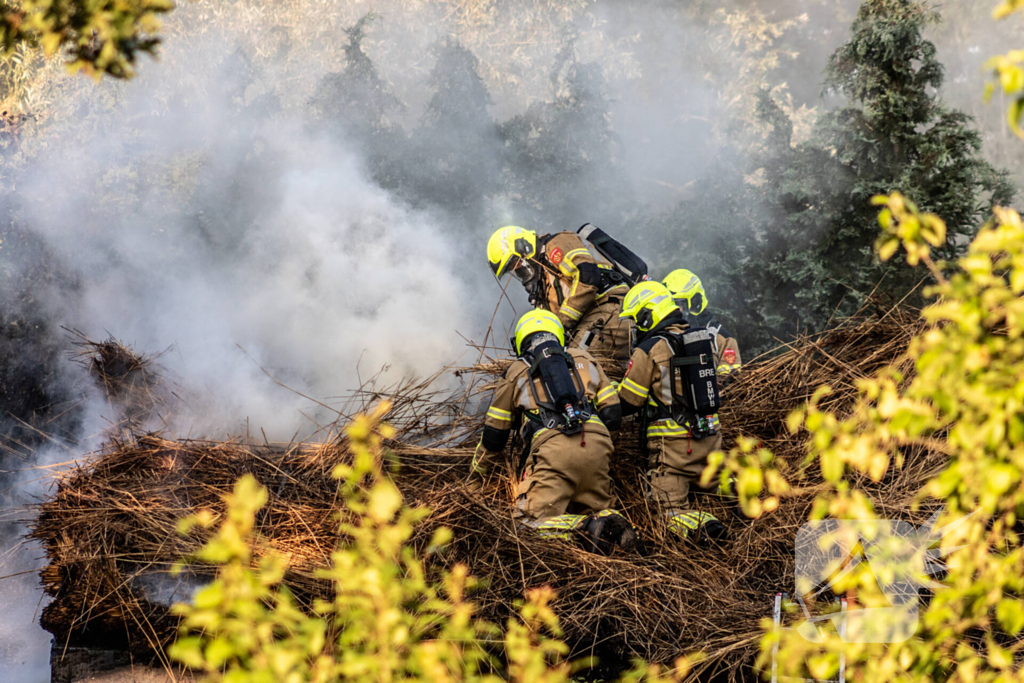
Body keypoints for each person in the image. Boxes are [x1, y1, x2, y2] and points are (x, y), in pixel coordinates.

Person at [469, 309, 637, 554]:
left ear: (521, 341)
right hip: (598, 445)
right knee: (599, 509)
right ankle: (609, 523)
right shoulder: (586, 358)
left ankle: (587, 526)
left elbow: (494, 438)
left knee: (527, 526)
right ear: (559, 334)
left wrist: (476, 474)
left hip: (552, 452)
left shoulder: (515, 372)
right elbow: (613, 414)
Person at [615, 281, 731, 544]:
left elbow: (628, 402)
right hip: (712, 444)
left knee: (664, 512)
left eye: (636, 321)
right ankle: (734, 489)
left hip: (675, 454)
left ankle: (707, 527)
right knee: (713, 482)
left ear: (648, 315)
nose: (635, 328)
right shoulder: (704, 341)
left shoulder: (650, 349)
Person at [486, 225, 632, 362]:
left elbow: (587, 275)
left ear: (524, 246)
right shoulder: (541, 286)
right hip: (591, 321)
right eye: (512, 268)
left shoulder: (556, 244)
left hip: (608, 307)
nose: (517, 269)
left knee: (574, 363)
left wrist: (562, 323)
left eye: (515, 262)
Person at [662, 269, 742, 381]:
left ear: (695, 303)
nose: (675, 309)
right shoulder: (663, 337)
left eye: (679, 304)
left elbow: (731, 384)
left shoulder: (721, 339)